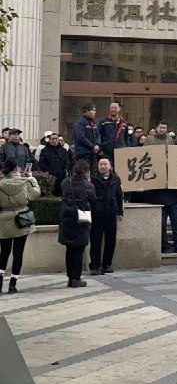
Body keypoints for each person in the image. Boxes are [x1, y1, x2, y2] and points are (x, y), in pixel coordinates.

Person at [138, 121, 177, 253]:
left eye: (165, 127)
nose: (163, 129)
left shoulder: (171, 140)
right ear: (156, 128)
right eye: (161, 127)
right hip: (158, 193)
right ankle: (163, 247)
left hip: (173, 194)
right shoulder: (149, 140)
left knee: (176, 224)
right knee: (161, 225)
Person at [0, 158, 40, 293]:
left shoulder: (1, 184)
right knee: (18, 253)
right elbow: (35, 194)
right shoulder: (25, 182)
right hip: (21, 219)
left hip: (3, 220)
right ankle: (13, 284)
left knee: (4, 253)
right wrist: (32, 179)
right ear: (17, 168)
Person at [59, 160, 96, 288]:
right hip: (81, 219)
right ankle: (76, 278)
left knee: (69, 250)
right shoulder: (88, 185)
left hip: (67, 219)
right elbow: (93, 200)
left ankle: (70, 277)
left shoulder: (65, 182)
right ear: (86, 172)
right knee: (79, 250)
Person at [89, 158, 124, 275]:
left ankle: (107, 264)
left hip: (111, 212)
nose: (103, 166)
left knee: (111, 240)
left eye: (105, 164)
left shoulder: (116, 179)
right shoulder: (93, 179)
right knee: (95, 240)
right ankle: (94, 265)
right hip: (97, 213)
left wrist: (120, 212)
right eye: (101, 164)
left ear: (110, 166)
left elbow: (119, 196)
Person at [73, 104, 101, 171]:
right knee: (84, 173)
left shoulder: (93, 123)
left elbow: (98, 135)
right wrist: (92, 146)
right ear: (86, 111)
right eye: (93, 110)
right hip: (83, 154)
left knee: (93, 174)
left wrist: (97, 144)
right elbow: (81, 137)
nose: (95, 112)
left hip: (93, 154)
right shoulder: (80, 123)